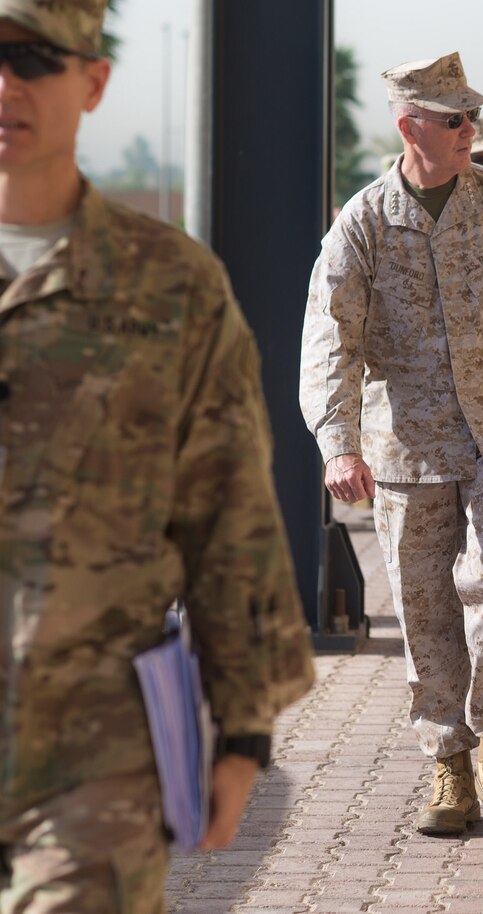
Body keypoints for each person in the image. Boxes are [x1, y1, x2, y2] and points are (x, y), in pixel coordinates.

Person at [0, 1, 315, 909]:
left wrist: (243, 728)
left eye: (33, 58)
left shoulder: (170, 285)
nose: (5, 83)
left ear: (92, 81)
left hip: (93, 758)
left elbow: (230, 513)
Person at [299, 52, 483, 844]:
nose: (471, 131)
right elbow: (331, 339)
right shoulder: (363, 220)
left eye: (472, 118)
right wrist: (338, 443)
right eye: (454, 120)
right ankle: (448, 761)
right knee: (424, 608)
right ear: (411, 127)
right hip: (406, 448)